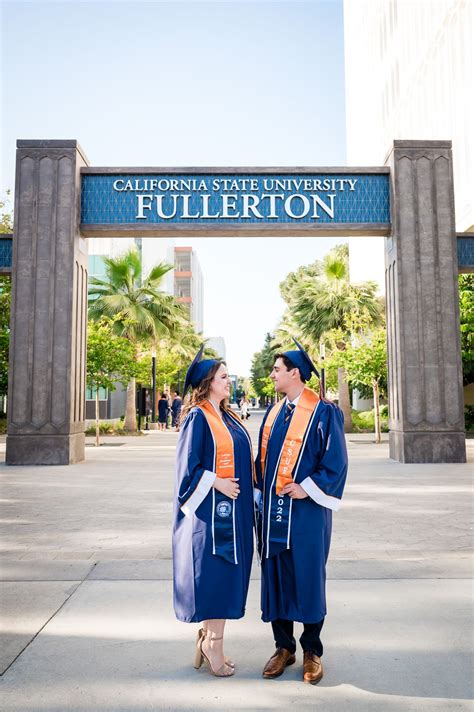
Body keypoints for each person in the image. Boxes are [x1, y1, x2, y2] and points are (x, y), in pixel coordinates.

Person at [255, 339, 348, 685]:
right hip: (273, 514)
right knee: (277, 574)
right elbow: (263, 461)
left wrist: (305, 486)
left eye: (277, 370)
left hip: (307, 512)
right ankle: (283, 647)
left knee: (308, 575)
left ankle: (312, 650)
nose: (273, 374)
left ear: (295, 373)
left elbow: (336, 463)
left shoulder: (323, 412)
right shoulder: (275, 412)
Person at [172, 346, 255, 678]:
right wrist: (217, 482)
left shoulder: (228, 416)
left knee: (225, 577)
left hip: (234, 516)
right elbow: (186, 472)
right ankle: (213, 646)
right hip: (210, 518)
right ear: (208, 383)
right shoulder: (198, 418)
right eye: (223, 376)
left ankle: (210, 639)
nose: (228, 380)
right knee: (214, 579)